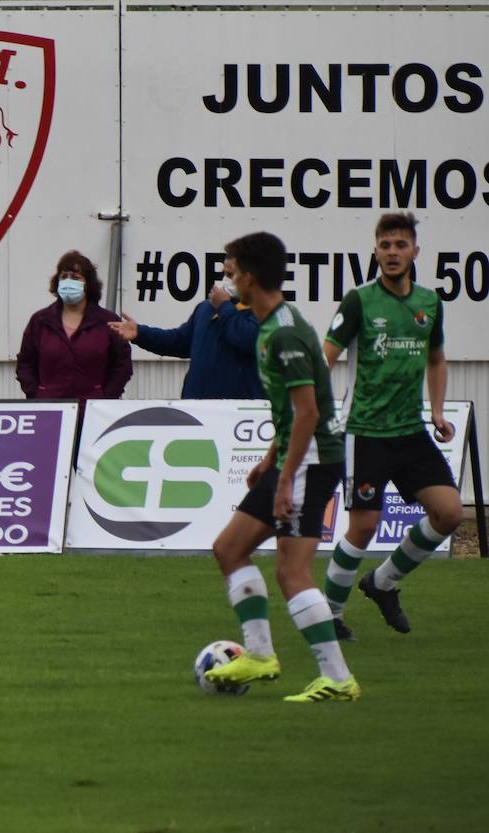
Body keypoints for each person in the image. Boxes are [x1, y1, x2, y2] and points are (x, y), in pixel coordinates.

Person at [201, 231, 358, 703]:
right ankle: (261, 655)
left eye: (231, 272)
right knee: (229, 548)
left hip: (311, 463)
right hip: (298, 459)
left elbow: (308, 412)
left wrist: (286, 477)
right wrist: (269, 460)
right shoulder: (276, 323)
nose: (228, 281)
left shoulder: (283, 333)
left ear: (249, 277)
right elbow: (291, 411)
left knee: (292, 572)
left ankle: (337, 678)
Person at [321, 212, 462, 639]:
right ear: (376, 251)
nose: (393, 252)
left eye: (401, 245)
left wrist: (437, 411)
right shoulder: (359, 301)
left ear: (415, 251)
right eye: (385, 245)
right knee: (363, 526)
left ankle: (382, 584)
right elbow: (325, 355)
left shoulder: (429, 303)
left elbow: (436, 359)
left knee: (450, 512)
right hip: (366, 431)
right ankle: (328, 615)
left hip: (410, 431)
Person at [108, 257, 264, 399]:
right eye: (224, 273)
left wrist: (223, 306)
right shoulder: (206, 308)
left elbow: (248, 339)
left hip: (238, 415)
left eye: (230, 275)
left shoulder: (264, 312)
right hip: (196, 409)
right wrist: (140, 333)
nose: (224, 280)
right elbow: (180, 341)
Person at [15, 251, 131, 400]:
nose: (68, 282)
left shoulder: (108, 321)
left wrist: (105, 397)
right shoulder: (40, 320)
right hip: (50, 410)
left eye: (76, 278)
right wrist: (37, 395)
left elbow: (122, 366)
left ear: (88, 284)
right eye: (64, 277)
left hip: (94, 411)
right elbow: (25, 363)